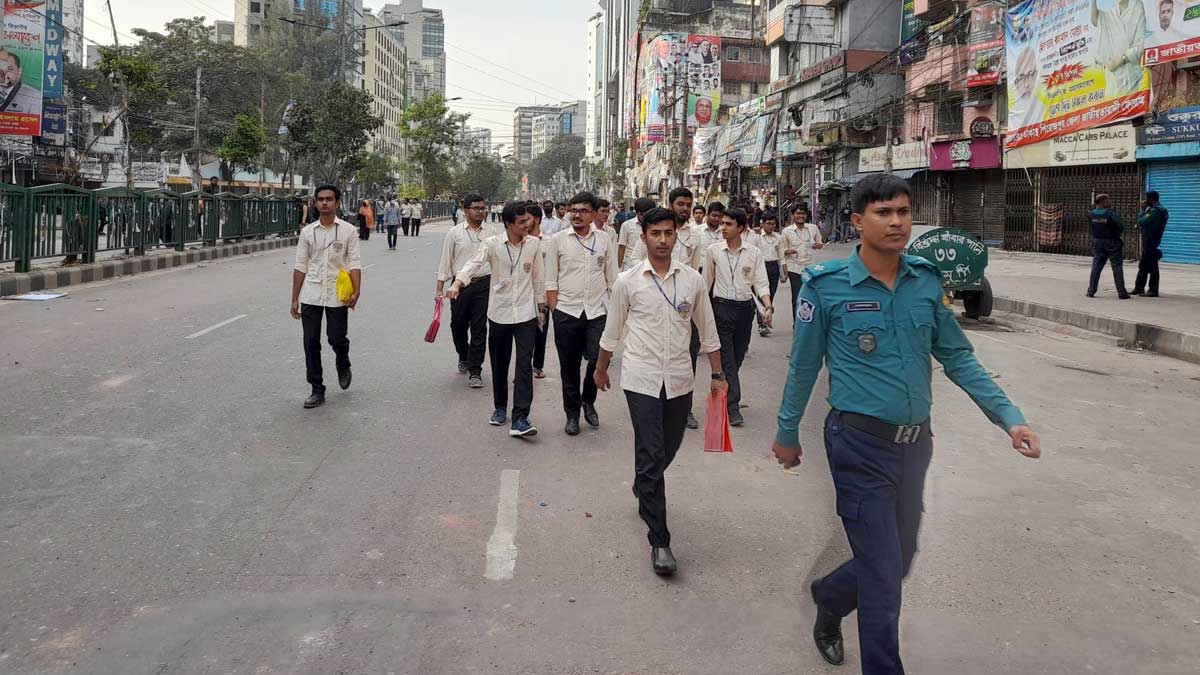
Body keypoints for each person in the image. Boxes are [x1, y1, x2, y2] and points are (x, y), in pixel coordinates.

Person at [772, 173, 1041, 674]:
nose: (896, 222)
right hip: (857, 444)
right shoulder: (826, 288)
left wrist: (1009, 418)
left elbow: (959, 358)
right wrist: (787, 432)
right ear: (857, 222)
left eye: (902, 212)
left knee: (902, 555)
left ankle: (831, 594)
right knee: (882, 577)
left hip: (915, 445)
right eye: (883, 213)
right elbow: (803, 365)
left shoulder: (924, 282)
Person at [595, 207, 725, 576]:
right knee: (652, 453)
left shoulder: (693, 281)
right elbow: (612, 331)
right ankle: (660, 540)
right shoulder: (628, 281)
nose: (664, 240)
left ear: (677, 236)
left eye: (669, 233)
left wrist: (718, 374)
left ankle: (643, 485)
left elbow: (708, 331)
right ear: (644, 236)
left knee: (668, 448)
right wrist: (601, 368)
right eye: (657, 234)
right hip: (640, 378)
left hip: (680, 379)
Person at [446, 202, 545, 437]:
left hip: (525, 314)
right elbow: (473, 264)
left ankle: (521, 417)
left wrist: (541, 307)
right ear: (509, 224)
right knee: (500, 364)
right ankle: (500, 408)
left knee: (523, 365)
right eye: (522, 222)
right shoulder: (491, 244)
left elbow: (538, 277)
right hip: (499, 313)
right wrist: (458, 282)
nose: (527, 225)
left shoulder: (533, 244)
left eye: (528, 221)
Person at [545, 192, 619, 435]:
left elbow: (612, 277)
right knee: (569, 366)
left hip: (598, 311)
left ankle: (589, 400)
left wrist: (616, 309)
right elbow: (550, 280)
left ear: (593, 214)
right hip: (567, 312)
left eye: (583, 211)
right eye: (573, 210)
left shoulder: (605, 239)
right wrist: (555, 311)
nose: (577, 215)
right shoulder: (557, 240)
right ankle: (573, 414)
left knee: (597, 358)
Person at [291, 184, 362, 409]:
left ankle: (343, 361)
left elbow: (354, 263)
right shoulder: (307, 232)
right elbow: (300, 266)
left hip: (337, 294)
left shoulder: (349, 231)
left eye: (329, 199)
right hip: (311, 293)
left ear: (337, 203)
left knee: (336, 338)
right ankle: (316, 389)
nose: (324, 203)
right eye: (320, 199)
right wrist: (295, 298)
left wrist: (357, 290)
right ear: (315, 202)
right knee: (310, 341)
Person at [702, 207, 772, 428]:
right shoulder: (713, 251)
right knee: (728, 359)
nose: (723, 227)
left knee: (738, 356)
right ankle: (732, 407)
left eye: (728, 224)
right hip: (721, 309)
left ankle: (724, 386)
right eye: (722, 223)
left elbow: (760, 281)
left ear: (741, 227)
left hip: (745, 310)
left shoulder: (754, 252)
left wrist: (767, 305)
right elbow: (706, 282)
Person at [437, 194, 501, 387]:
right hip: (460, 286)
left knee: (479, 327)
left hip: (484, 283)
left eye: (483, 208)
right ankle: (463, 355)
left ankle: (475, 370)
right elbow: (445, 260)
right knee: (457, 325)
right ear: (465, 210)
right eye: (476, 208)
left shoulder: (492, 232)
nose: (481, 211)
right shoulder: (454, 233)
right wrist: (440, 287)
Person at [1091, 0, 1146, 97]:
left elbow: (1141, 44)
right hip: (1112, 77)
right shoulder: (1111, 14)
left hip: (1130, 74)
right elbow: (1095, 19)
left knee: (1131, 106)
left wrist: (1122, 59)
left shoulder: (1137, 8)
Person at [781, 204, 824, 321]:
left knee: (811, 296)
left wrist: (819, 245)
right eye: (798, 213)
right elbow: (782, 251)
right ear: (793, 215)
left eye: (803, 213)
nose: (801, 216)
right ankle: (797, 325)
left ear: (806, 215)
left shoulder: (813, 228)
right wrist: (788, 251)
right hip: (794, 267)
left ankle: (809, 323)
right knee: (797, 296)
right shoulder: (786, 231)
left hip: (811, 267)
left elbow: (820, 242)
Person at [1086, 194, 1131, 299]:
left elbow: (1091, 228)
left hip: (1098, 242)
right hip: (1112, 242)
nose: (1110, 202)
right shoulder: (1111, 214)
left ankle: (1091, 291)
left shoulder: (1090, 214)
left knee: (1096, 266)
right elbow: (1121, 227)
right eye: (1108, 201)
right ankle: (1121, 292)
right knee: (1116, 267)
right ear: (1103, 202)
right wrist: (1115, 235)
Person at [526, 203, 550, 379]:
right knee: (524, 333)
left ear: (537, 220)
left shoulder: (549, 242)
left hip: (542, 294)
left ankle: (538, 366)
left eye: (527, 219)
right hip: (523, 294)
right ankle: (524, 366)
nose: (524, 223)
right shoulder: (519, 242)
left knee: (541, 331)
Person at [1133, 191, 1168, 297]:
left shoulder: (1155, 211)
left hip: (1150, 241)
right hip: (1151, 240)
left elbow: (1141, 221)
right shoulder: (1161, 210)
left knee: (1152, 265)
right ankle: (1139, 288)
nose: (1145, 201)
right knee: (1144, 264)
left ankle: (1153, 290)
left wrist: (1142, 211)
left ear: (1151, 199)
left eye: (1146, 199)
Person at [755, 211, 784, 337]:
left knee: (770, 296)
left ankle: (766, 318)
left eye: (773, 224)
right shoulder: (756, 237)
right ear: (763, 224)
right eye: (768, 224)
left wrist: (784, 271)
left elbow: (781, 256)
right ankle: (761, 324)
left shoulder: (778, 237)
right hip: (761, 267)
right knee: (762, 295)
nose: (771, 226)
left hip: (774, 268)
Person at [617, 197, 657, 271]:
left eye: (647, 214)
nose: (644, 217)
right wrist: (619, 268)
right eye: (641, 214)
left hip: (649, 266)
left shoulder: (656, 226)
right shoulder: (627, 225)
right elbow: (622, 247)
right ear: (637, 212)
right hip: (630, 266)